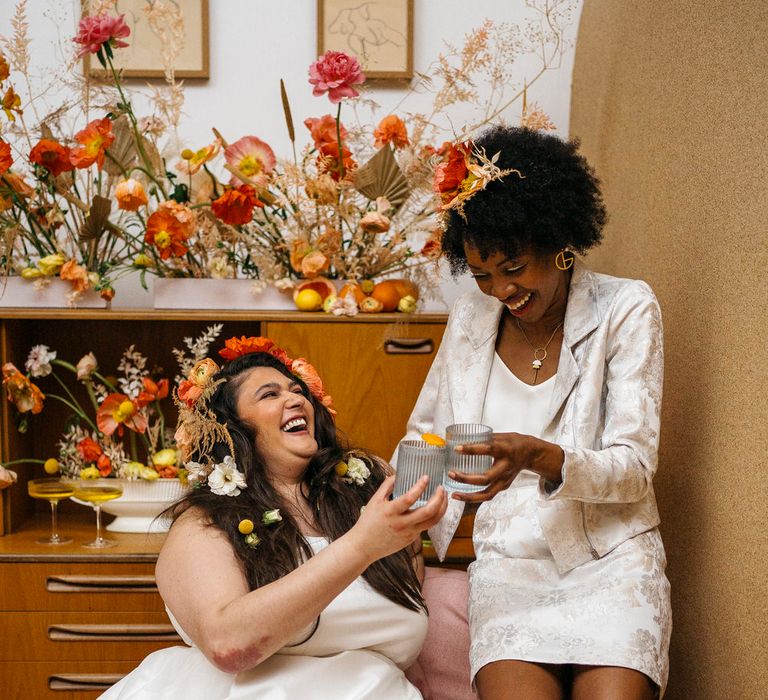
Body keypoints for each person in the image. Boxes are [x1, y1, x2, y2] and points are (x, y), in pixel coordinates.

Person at [404, 125, 671, 699]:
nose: (500, 289)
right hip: (509, 569)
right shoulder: (470, 320)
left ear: (559, 243)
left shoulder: (626, 309)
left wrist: (537, 455)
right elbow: (424, 441)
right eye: (481, 275)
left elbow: (633, 469)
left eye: (514, 267)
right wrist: (390, 527)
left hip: (612, 561)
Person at [101, 338, 447, 699]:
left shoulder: (366, 493)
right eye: (269, 395)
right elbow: (227, 645)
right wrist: (361, 546)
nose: (296, 399)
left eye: (297, 391)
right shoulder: (202, 524)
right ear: (228, 427)